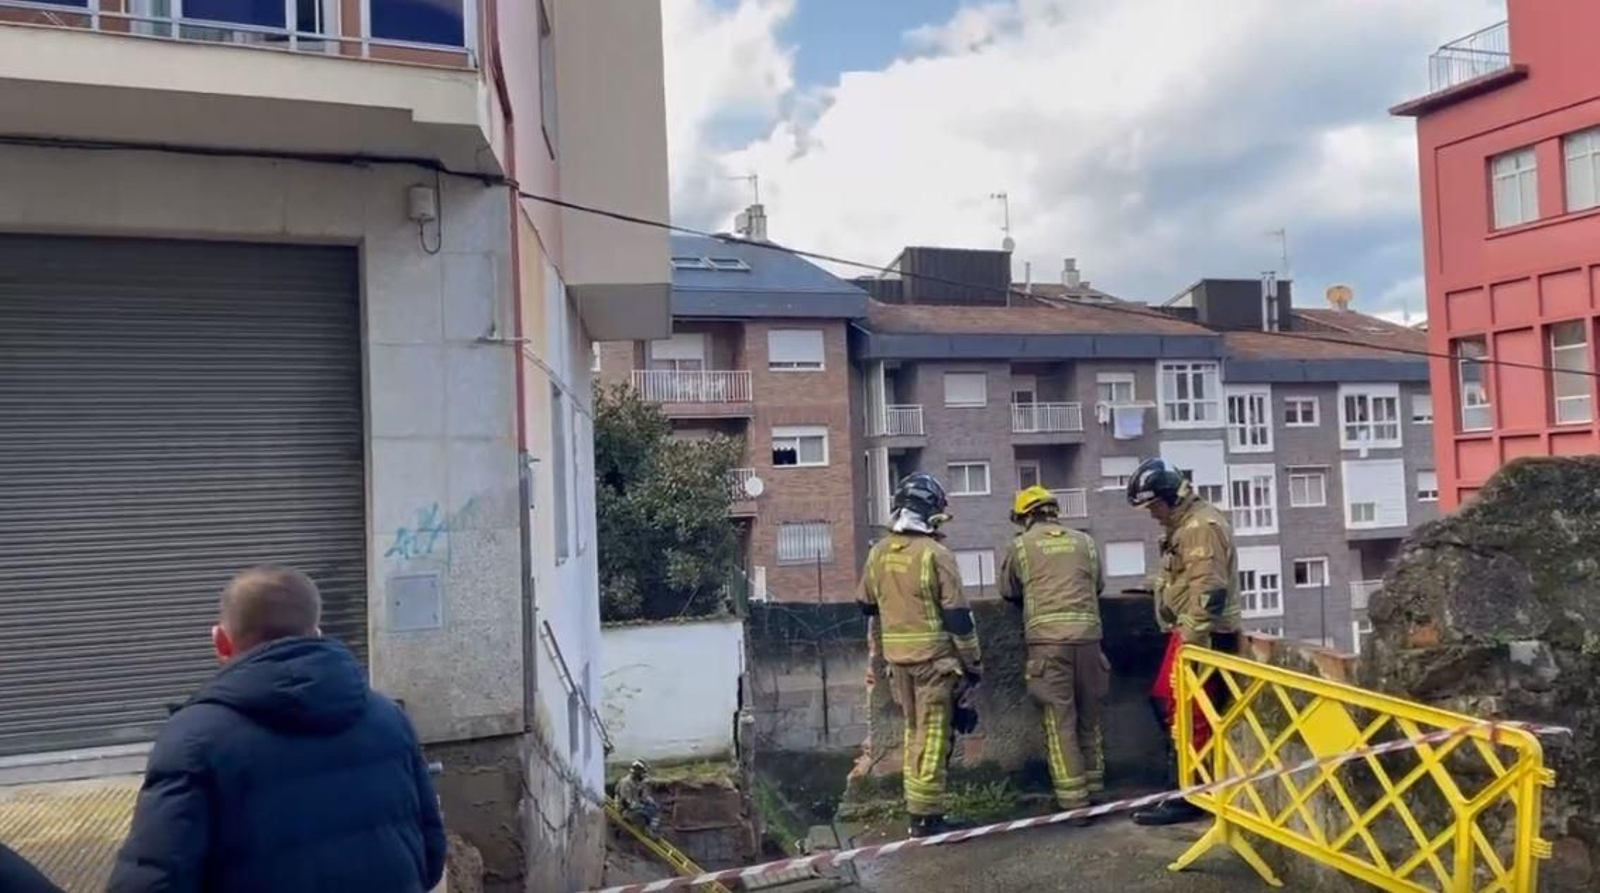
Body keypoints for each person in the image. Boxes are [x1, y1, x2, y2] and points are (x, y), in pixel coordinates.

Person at [108, 566, 447, 892]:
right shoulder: (388, 718)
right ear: (316, 633)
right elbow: (430, 859)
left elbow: (153, 880)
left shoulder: (193, 739)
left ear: (221, 642)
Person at [856, 473, 982, 838]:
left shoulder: (878, 552)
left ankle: (920, 814)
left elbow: (865, 604)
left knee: (915, 734)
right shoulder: (936, 554)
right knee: (933, 738)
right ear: (930, 512)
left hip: (898, 663)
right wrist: (973, 663)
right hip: (934, 663)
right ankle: (926, 819)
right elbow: (958, 616)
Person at [1124, 458, 1241, 826]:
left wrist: (1189, 643)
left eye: (1153, 506)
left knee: (1193, 715)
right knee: (1171, 707)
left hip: (1202, 637)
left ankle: (1195, 795)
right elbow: (1187, 579)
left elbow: (1210, 589)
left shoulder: (1199, 527)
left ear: (1169, 497)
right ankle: (1185, 786)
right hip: (1191, 633)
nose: (1152, 514)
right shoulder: (1187, 525)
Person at [998, 486, 1109, 819]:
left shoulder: (1021, 546)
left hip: (1047, 647)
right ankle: (1097, 791)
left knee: (1061, 723)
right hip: (1090, 643)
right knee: (1090, 719)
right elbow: (1098, 586)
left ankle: (1074, 803)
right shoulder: (1085, 543)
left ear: (1026, 516)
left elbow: (1007, 590)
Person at [616, 760, 661, 835]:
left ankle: (652, 829)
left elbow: (644, 797)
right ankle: (646, 830)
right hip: (626, 810)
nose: (643, 775)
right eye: (642, 773)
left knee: (653, 809)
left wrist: (651, 802)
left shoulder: (640, 782)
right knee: (644, 814)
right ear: (636, 772)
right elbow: (626, 802)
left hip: (637, 806)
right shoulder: (626, 783)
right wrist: (640, 807)